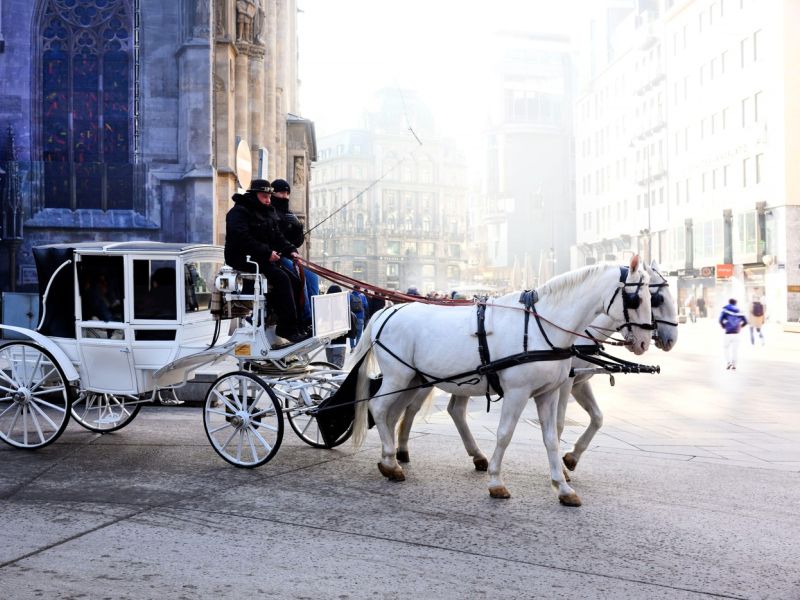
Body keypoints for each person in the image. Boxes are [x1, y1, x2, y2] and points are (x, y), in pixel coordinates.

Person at [225, 179, 309, 345]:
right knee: (282, 279)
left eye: (269, 197)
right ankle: (286, 328)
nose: (268, 200)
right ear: (254, 195)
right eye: (265, 197)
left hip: (262, 258)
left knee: (295, 279)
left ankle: (298, 326)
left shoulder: (267, 212)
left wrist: (291, 250)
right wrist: (267, 253)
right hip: (244, 259)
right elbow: (243, 239)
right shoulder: (238, 213)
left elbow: (277, 237)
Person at [269, 178, 319, 326]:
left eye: (286, 193)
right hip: (277, 256)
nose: (284, 196)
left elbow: (297, 242)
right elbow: (275, 238)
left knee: (313, 276)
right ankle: (305, 317)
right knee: (299, 277)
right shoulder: (269, 213)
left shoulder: (290, 214)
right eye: (280, 193)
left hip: (290, 255)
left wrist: (297, 227)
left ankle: (315, 314)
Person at [324, 285, 354, 368]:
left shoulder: (324, 307)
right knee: (337, 369)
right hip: (340, 343)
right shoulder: (344, 307)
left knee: (332, 368)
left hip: (328, 342)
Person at [719, 298, 748, 370]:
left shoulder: (725, 310)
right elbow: (746, 321)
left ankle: (728, 362)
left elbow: (720, 320)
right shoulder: (740, 311)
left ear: (729, 302)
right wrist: (741, 326)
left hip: (728, 332)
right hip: (736, 333)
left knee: (726, 348)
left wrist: (723, 326)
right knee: (735, 350)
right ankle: (734, 364)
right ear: (736, 303)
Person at [348, 285, 367, 352]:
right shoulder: (362, 296)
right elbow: (366, 305)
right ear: (359, 288)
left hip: (352, 317)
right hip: (360, 317)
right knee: (359, 333)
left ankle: (352, 347)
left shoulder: (350, 295)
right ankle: (357, 347)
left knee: (352, 333)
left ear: (353, 288)